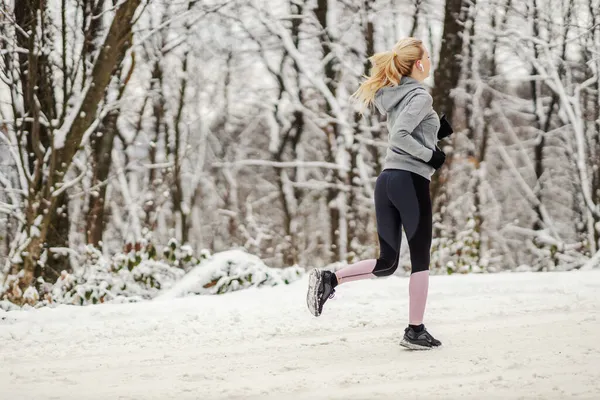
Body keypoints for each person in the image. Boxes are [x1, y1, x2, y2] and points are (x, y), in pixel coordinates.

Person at [306, 37, 453, 350]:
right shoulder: (420, 95)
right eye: (426, 57)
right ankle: (415, 330)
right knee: (421, 259)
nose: (429, 61)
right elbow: (400, 136)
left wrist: (436, 132)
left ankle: (330, 279)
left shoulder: (396, 96)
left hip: (387, 181)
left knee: (388, 262)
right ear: (416, 64)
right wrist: (432, 156)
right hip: (410, 181)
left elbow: (405, 129)